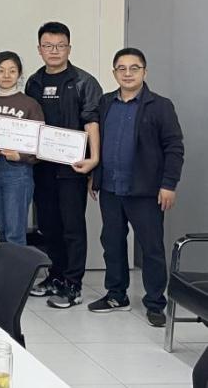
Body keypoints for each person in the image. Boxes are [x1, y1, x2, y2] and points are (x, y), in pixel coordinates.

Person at [88, 48, 183, 328]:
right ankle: (116, 295)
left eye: (134, 68)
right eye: (122, 68)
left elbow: (174, 147)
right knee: (112, 243)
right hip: (111, 188)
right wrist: (95, 176)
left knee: (151, 248)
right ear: (114, 72)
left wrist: (169, 184)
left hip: (146, 190)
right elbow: (96, 142)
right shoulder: (106, 102)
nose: (127, 73)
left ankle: (155, 303)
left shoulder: (160, 105)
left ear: (145, 71)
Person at [25, 21, 102, 309]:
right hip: (41, 167)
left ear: (69, 48)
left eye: (60, 46)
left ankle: (73, 284)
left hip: (73, 168)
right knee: (48, 225)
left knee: (72, 226)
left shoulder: (84, 81)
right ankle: (55, 275)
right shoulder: (34, 82)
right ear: (39, 49)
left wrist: (94, 159)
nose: (54, 51)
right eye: (48, 46)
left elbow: (92, 122)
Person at [0, 51, 44, 245]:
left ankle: (17, 266)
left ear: (19, 74)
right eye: (1, 71)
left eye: (12, 71)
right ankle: (6, 266)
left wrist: (21, 156)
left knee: (15, 233)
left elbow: (40, 142)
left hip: (18, 171)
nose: (6, 75)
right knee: (2, 230)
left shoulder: (30, 104)